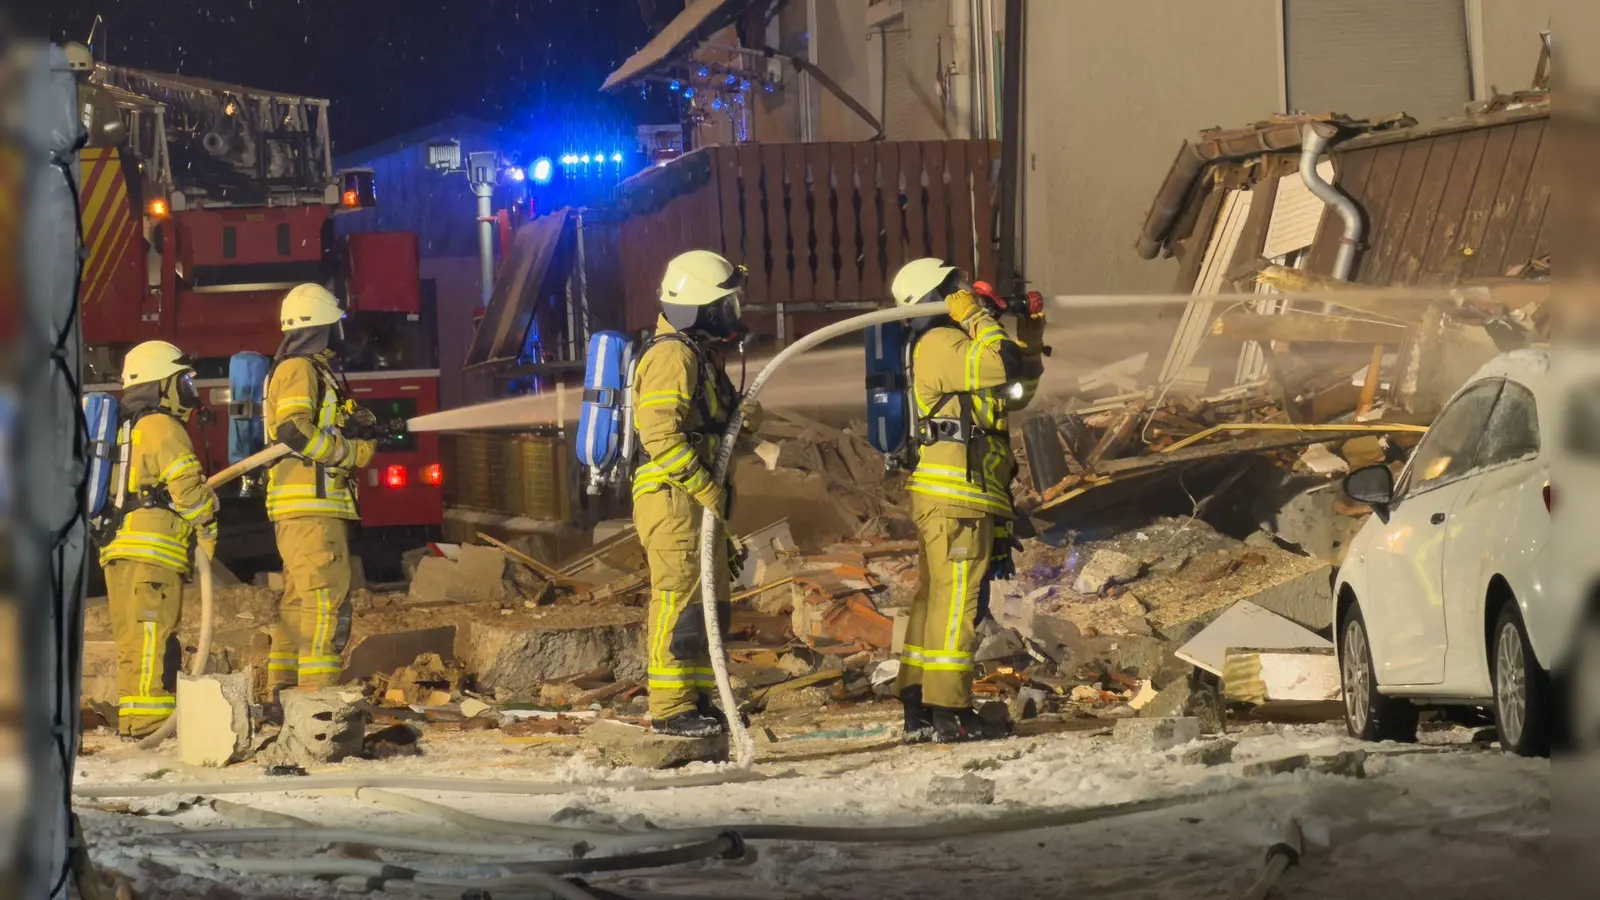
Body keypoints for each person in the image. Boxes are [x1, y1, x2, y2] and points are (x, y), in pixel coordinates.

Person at [889, 258, 1046, 743]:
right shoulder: (941, 343)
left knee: (938, 600)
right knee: (957, 602)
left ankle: (919, 702)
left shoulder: (958, 346)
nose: (964, 291)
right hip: (956, 497)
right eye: (953, 287)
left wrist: (1029, 332)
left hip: (962, 495)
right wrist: (978, 317)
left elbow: (1015, 390)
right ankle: (950, 711)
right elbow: (999, 362)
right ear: (933, 297)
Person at [631, 250, 760, 738]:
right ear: (700, 308)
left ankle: (701, 698)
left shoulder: (699, 355)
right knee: (679, 602)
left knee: (708, 604)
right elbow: (660, 436)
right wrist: (708, 489)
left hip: (695, 499)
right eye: (725, 304)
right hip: (674, 498)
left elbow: (716, 430)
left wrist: (744, 421)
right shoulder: (672, 357)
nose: (732, 312)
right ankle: (671, 708)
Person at [99, 341, 219, 739]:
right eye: (182, 380)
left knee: (134, 639)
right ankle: (151, 722)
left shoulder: (126, 427)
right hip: (152, 552)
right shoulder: (161, 426)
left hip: (119, 549)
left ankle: (135, 719)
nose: (189, 389)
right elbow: (187, 488)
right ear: (161, 384)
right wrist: (208, 519)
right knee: (152, 634)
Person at [263, 284, 377, 701]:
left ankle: (284, 692)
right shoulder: (299, 369)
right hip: (311, 507)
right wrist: (348, 452)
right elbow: (294, 430)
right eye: (336, 323)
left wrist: (354, 423)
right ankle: (317, 698)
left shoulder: (310, 369)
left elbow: (313, 424)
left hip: (305, 509)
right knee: (324, 600)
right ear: (321, 326)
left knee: (299, 602)